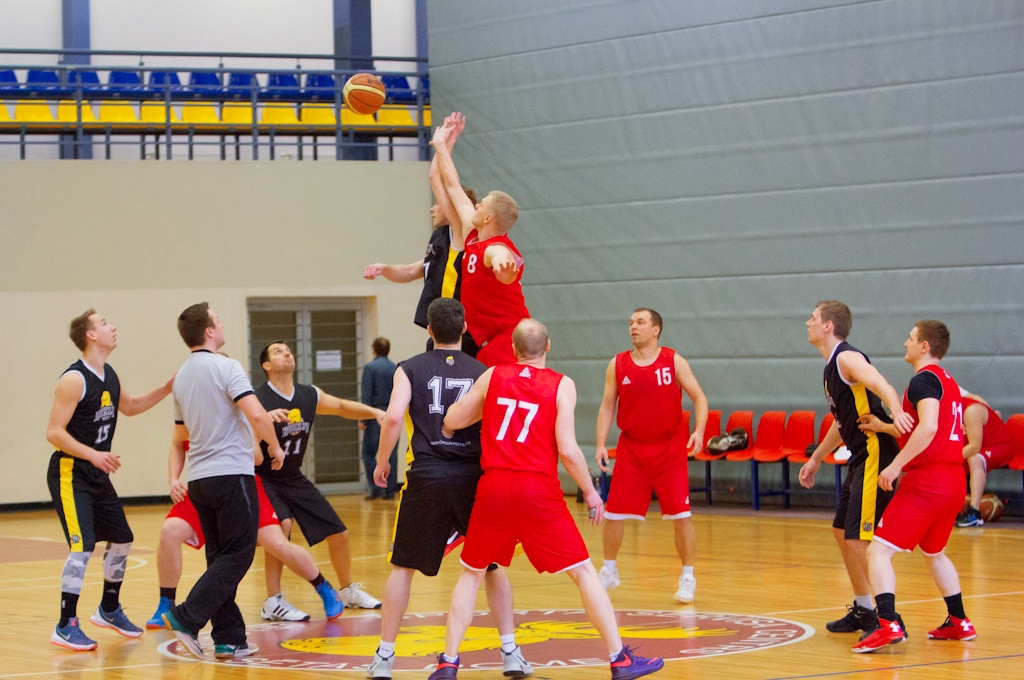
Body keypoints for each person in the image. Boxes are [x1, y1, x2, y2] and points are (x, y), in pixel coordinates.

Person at [434, 318, 663, 680]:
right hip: (537, 490)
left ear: (513, 350)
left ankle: (448, 663)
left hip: (494, 488)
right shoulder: (561, 384)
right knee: (584, 573)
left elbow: (455, 418)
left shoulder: (493, 376)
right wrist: (591, 493)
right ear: (549, 347)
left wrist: (457, 422)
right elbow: (569, 450)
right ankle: (619, 659)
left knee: (471, 575)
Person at [365, 298, 532, 680]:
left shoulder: (408, 368)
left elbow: (392, 418)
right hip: (474, 478)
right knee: (490, 566)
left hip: (426, 473)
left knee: (402, 567)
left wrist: (381, 461)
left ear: (429, 330)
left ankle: (384, 659)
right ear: (464, 328)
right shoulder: (484, 371)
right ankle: (510, 652)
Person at [160, 302, 286, 660]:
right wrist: (274, 448)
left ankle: (230, 637)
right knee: (239, 554)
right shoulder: (226, 366)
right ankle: (186, 617)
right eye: (218, 320)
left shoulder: (182, 377)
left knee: (219, 558)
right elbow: (257, 414)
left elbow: (181, 433)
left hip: (199, 480)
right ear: (210, 331)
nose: (223, 324)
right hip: (231, 474)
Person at [45, 309, 175, 651]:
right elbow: (54, 432)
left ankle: (108, 608)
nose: (112, 326)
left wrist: (166, 388)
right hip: (71, 473)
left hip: (95, 473)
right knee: (82, 547)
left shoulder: (109, 374)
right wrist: (93, 454)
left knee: (122, 539)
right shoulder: (74, 379)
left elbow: (129, 406)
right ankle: (65, 624)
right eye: (104, 323)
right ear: (90, 335)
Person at [852, 320, 976, 653]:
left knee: (878, 551)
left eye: (910, 338)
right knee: (935, 553)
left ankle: (888, 625)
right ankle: (959, 621)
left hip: (928, 480)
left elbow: (929, 428)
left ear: (925, 347)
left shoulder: (922, 380)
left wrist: (895, 465)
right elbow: (924, 429)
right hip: (952, 478)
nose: (905, 343)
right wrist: (884, 426)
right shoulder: (947, 381)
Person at [798, 300, 913, 636]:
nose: (808, 322)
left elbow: (882, 384)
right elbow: (842, 421)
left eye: (813, 318)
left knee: (860, 537)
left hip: (877, 452)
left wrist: (895, 410)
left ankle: (888, 618)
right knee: (841, 531)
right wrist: (817, 456)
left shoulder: (848, 358)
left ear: (828, 326)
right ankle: (864, 609)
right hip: (860, 455)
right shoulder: (830, 368)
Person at [145, 441, 347, 628]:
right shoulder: (192, 408)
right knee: (169, 531)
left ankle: (324, 587)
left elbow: (258, 458)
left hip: (240, 484)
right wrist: (173, 479)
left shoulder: (239, 407)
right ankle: (166, 602)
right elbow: (177, 444)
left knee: (277, 543)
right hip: (204, 486)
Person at [256, 341, 384, 610]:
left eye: (288, 349)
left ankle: (348, 590)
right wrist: (264, 420)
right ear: (266, 365)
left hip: (292, 476)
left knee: (339, 533)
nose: (286, 353)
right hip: (263, 477)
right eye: (278, 351)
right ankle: (273, 600)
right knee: (282, 527)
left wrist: (374, 412)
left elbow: (340, 407)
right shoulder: (256, 400)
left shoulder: (308, 395)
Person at [595, 308, 708, 603]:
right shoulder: (617, 364)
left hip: (669, 448)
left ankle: (687, 577)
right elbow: (607, 406)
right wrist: (599, 444)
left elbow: (699, 397)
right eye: (630, 322)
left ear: (655, 329)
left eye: (640, 322)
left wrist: (699, 430)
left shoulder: (673, 361)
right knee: (613, 514)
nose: (633, 326)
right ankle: (609, 570)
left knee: (681, 516)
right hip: (632, 448)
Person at [363, 112, 480, 357]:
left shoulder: (462, 234)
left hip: (462, 334)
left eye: (438, 203)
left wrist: (445, 144)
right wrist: (384, 269)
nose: (432, 207)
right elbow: (409, 272)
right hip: (440, 332)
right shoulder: (441, 237)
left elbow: (437, 178)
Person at [430, 113, 529, 367]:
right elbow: (452, 185)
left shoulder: (496, 248)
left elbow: (502, 261)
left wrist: (504, 272)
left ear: (487, 217)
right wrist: (442, 144)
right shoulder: (473, 234)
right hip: (488, 338)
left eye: (481, 204)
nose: (475, 204)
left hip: (509, 338)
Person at [955, 391, 1015, 527]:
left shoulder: (971, 410)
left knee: (974, 458)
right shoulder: (941, 412)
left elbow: (975, 447)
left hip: (999, 445)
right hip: (974, 445)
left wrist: (947, 459)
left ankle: (974, 512)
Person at [361, 338, 399, 499]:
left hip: (375, 414)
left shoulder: (370, 368)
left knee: (368, 452)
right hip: (392, 412)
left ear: (374, 349)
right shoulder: (395, 368)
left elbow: (367, 393)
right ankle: (390, 490)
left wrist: (363, 418)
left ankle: (376, 488)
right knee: (392, 452)